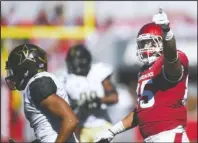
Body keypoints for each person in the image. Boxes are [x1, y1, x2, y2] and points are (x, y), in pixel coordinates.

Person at [95, 9, 189, 143]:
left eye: (150, 43)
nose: (146, 48)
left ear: (162, 42)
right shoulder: (144, 71)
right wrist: (112, 131)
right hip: (151, 138)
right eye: (143, 44)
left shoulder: (171, 60)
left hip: (169, 135)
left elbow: (172, 60)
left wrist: (167, 32)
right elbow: (142, 110)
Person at [5, 44, 79, 143]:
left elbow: (71, 120)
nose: (13, 74)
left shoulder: (38, 85)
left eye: (14, 70)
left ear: (25, 67)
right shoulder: (36, 83)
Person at [61, 44, 118, 142]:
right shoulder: (66, 80)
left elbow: (114, 97)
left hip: (102, 124)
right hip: (82, 128)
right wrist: (74, 106)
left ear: (83, 61)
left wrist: (97, 101)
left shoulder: (98, 71)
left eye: (73, 61)